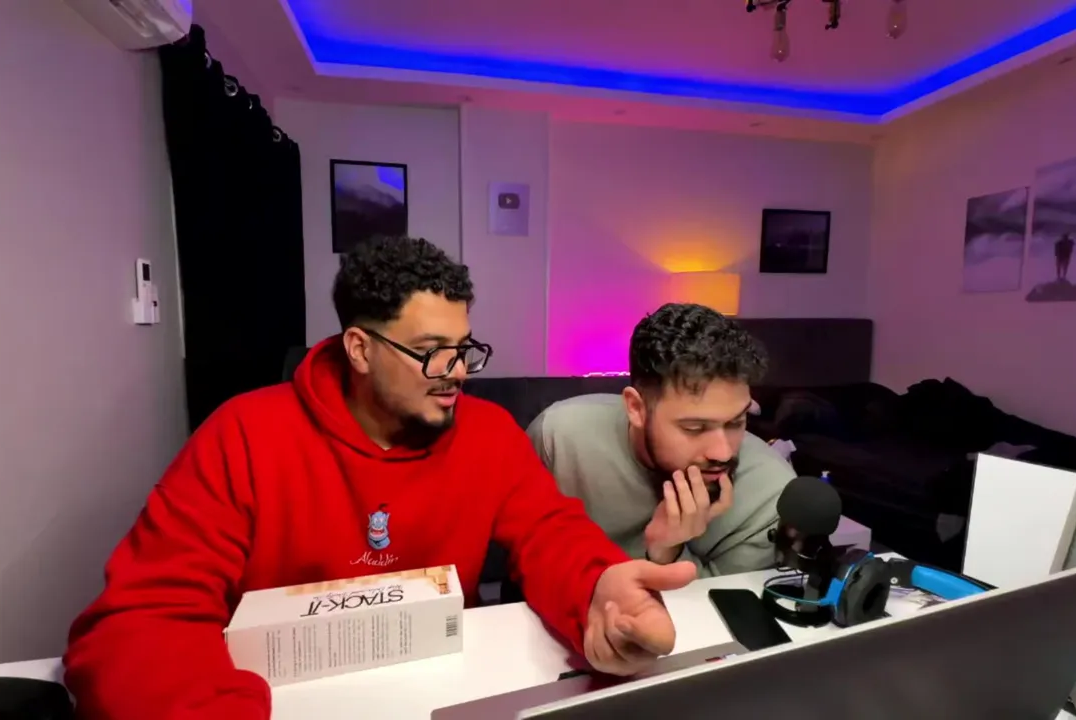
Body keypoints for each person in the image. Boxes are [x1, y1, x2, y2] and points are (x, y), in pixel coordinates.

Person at [64, 237, 697, 720]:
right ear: (360, 349)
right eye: (431, 351)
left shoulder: (488, 433)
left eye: (464, 347)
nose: (458, 371)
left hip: (445, 686)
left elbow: (550, 531)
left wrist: (595, 589)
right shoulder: (244, 435)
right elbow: (140, 623)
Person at [528, 303, 795, 576]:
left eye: (736, 422)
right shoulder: (560, 441)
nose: (723, 453)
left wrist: (667, 554)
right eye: (694, 428)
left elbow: (722, 601)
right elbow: (525, 567)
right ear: (636, 408)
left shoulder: (771, 494)